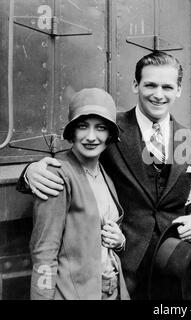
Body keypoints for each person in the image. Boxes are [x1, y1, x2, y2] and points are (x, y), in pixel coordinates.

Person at [19, 51, 191, 300]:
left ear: (179, 89)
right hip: (124, 267)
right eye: (150, 84)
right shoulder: (108, 125)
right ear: (135, 84)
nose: (158, 94)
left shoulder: (190, 139)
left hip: (172, 261)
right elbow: (73, 157)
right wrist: (30, 172)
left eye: (167, 87)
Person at [30, 88, 130, 300]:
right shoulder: (56, 174)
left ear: (110, 134)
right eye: (83, 126)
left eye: (100, 128)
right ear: (72, 132)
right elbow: (44, 252)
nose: (91, 137)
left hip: (112, 289)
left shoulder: (104, 172)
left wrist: (119, 240)